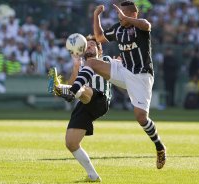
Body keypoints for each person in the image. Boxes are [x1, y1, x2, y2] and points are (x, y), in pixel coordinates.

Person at [57, 1, 166, 169]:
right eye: (118, 14)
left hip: (141, 76)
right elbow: (99, 37)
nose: (119, 17)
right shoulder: (118, 29)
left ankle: (159, 146)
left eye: (122, 14)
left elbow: (147, 24)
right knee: (91, 62)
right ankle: (72, 91)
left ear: (133, 14)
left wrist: (127, 18)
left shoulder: (140, 27)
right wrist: (96, 16)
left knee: (141, 117)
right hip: (123, 69)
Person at [50, 35, 112, 182]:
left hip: (100, 99)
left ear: (99, 49)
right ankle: (93, 176)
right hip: (84, 103)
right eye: (87, 45)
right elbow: (73, 85)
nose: (90, 46)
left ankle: (63, 89)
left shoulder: (106, 60)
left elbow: (120, 68)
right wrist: (76, 67)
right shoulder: (82, 65)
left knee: (81, 89)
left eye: (93, 44)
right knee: (71, 143)